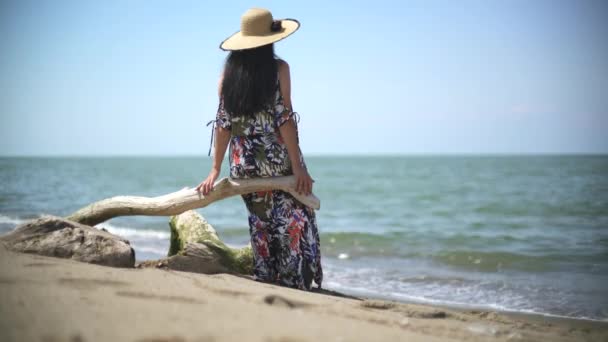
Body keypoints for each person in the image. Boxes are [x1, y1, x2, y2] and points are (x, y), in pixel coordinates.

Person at [195, 8, 323, 291]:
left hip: (243, 162)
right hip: (276, 158)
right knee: (294, 213)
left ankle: (265, 273)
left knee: (261, 217)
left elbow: (223, 124)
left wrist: (216, 168)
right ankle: (292, 278)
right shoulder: (279, 69)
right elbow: (284, 119)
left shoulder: (228, 75)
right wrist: (298, 166)